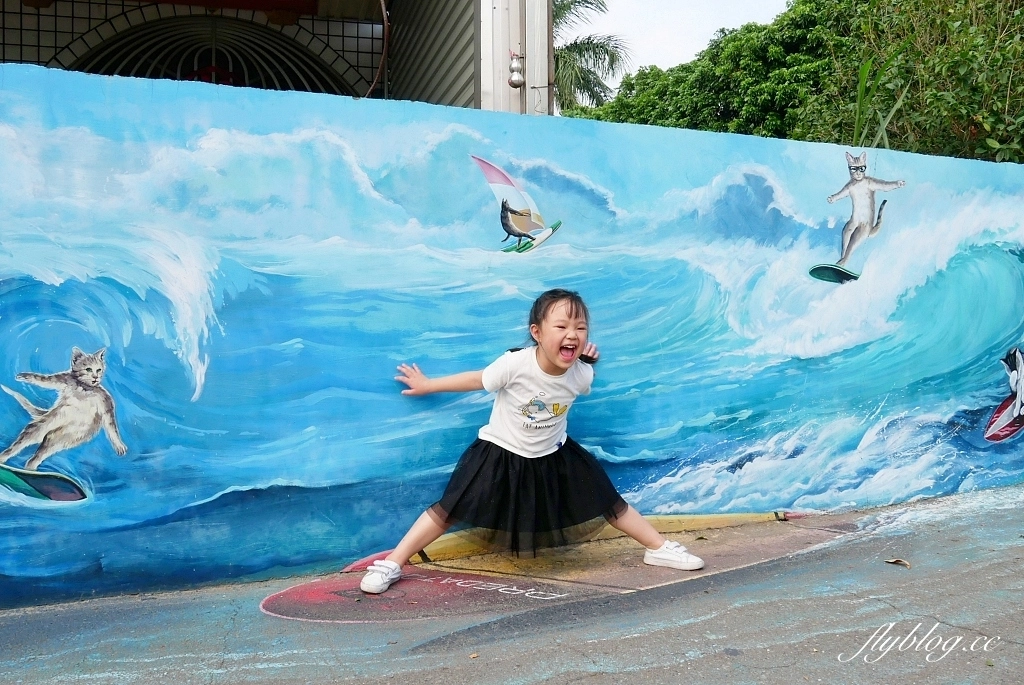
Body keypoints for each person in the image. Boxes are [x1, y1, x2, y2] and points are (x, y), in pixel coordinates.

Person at [360, 289, 704, 594]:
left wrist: (589, 360)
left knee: (608, 500)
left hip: (554, 454)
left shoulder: (582, 373)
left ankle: (658, 548)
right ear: (536, 333)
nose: (572, 335)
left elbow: (583, 377)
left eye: (580, 329)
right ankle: (394, 562)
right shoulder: (514, 364)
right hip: (501, 453)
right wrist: (429, 384)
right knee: (449, 509)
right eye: (562, 327)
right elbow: (478, 379)